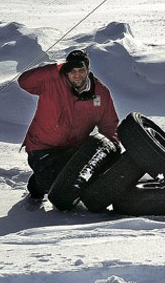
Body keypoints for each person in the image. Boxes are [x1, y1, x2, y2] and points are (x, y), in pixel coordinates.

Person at [18, 49, 120, 201]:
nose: (77, 74)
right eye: (72, 71)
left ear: (88, 69)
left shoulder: (100, 93)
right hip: (41, 148)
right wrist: (57, 68)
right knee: (54, 178)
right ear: (66, 71)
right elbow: (24, 82)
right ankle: (36, 184)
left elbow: (108, 124)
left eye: (81, 70)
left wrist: (112, 148)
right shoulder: (51, 82)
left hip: (74, 149)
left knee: (88, 172)